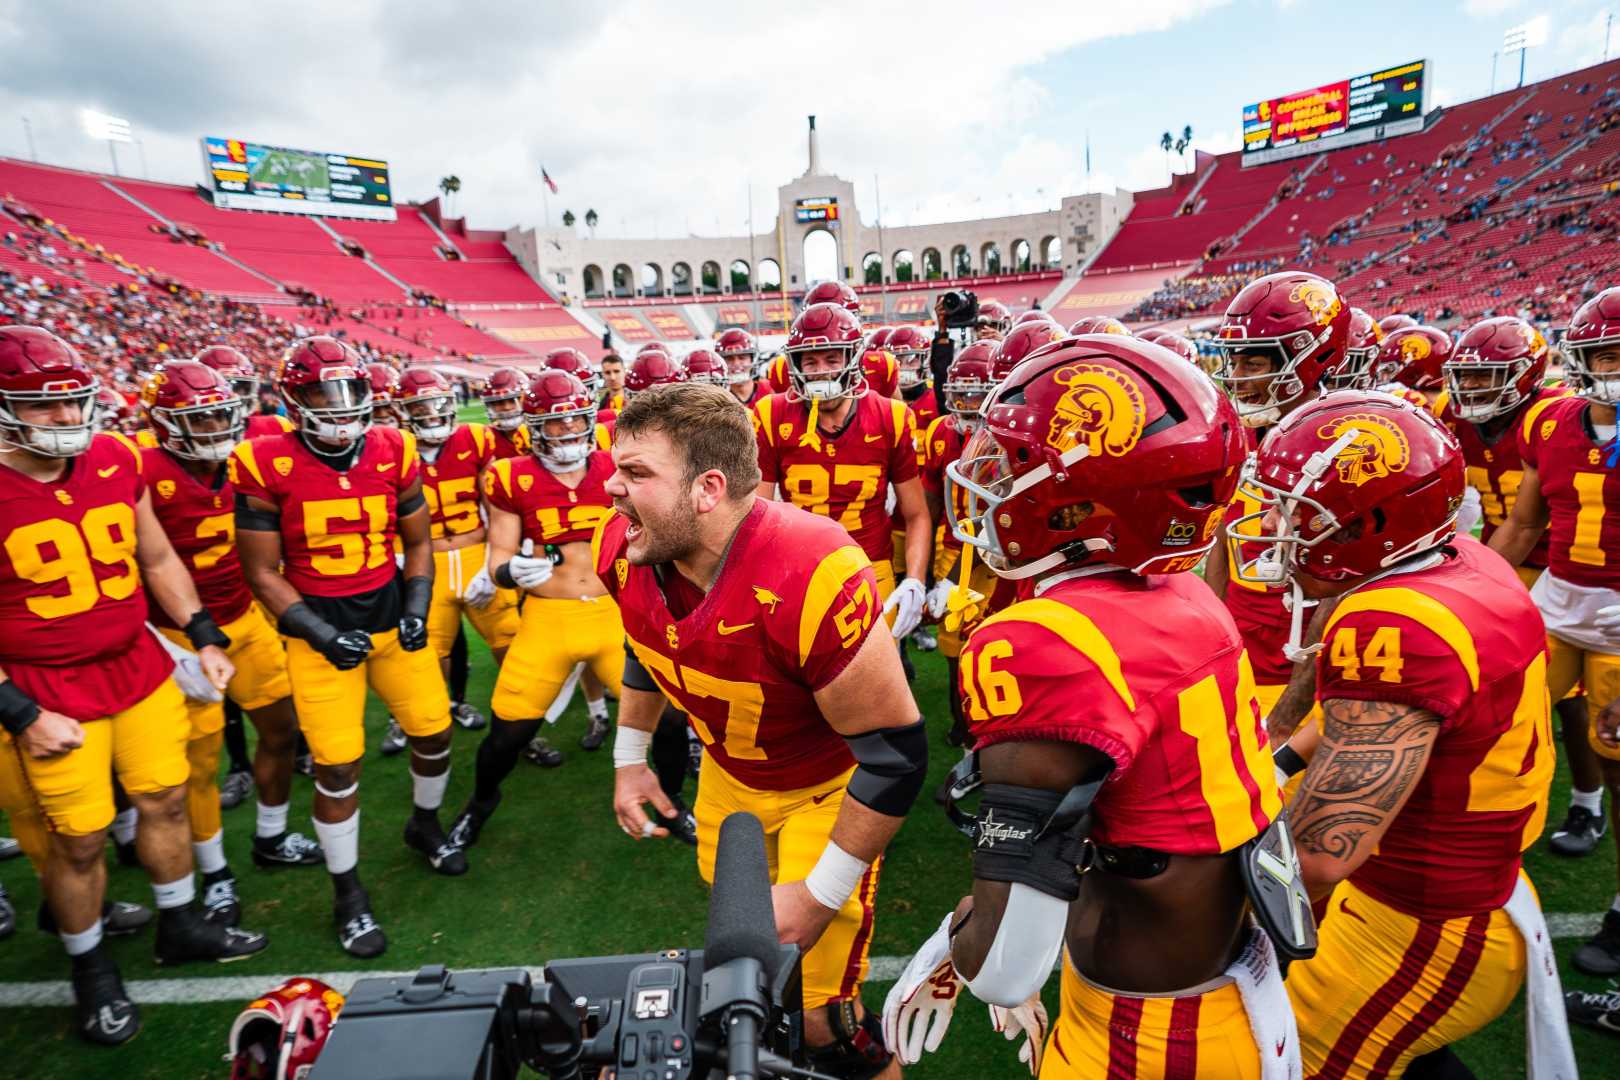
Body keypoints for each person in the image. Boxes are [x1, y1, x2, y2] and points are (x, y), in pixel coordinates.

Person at [884, 335, 1300, 1079]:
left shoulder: (1047, 640)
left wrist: (958, 937)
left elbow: (1006, 967)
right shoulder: (1183, 592)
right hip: (1223, 986)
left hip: (1147, 1037)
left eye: (1011, 463)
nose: (988, 478)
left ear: (1081, 497)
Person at [1240, 390, 1570, 1079]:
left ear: (1372, 519)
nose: (1273, 523)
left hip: (1423, 923)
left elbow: (1317, 853)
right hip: (1444, 891)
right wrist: (1274, 759)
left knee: (1286, 1061)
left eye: (1295, 510)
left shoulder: (1395, 627)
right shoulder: (1458, 560)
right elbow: (1357, 719)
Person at [601, 382, 925, 1079]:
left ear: (707, 488)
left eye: (635, 473)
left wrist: (822, 891)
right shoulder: (631, 548)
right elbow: (644, 637)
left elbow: (896, 755)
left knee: (819, 1016)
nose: (610, 488)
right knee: (744, 982)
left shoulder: (810, 568)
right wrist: (630, 756)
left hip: (827, 790)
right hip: (730, 781)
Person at [0, 326, 266, 1045]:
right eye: (43, 408)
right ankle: (88, 966)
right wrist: (19, 711)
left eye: (72, 403)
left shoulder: (114, 457)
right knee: (79, 841)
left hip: (137, 664)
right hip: (42, 687)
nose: (66, 420)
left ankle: (179, 920)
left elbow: (155, 557)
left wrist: (203, 631)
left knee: (167, 799)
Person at [232, 335, 462, 960]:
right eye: (320, 394)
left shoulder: (393, 446)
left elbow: (418, 542)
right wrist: (321, 634)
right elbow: (263, 573)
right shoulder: (263, 461)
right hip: (319, 629)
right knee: (337, 766)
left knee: (435, 732)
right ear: (292, 399)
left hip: (390, 617)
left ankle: (423, 822)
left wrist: (416, 605)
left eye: (349, 391)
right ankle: (348, 893)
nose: (338, 405)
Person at [139, 360, 321, 928]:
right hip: (176, 636)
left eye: (222, 411)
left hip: (244, 618)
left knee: (282, 730)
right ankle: (214, 871)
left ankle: (270, 836)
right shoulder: (139, 469)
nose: (217, 425)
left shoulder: (255, 454)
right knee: (196, 765)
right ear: (165, 423)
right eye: (200, 417)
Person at [1489, 286, 1620, 978]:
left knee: (1619, 760)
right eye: (1606, 351)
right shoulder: (1550, 423)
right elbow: (1522, 525)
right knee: (1507, 721)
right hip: (1559, 598)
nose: (1614, 364)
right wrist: (1471, 581)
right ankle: (1499, 845)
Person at [1445, 316, 1598, 856]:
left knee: (1571, 699)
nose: (1472, 389)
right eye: (1467, 376)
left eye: (1488, 376)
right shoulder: (1453, 418)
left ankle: (1587, 800)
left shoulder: (1551, 416)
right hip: (1501, 558)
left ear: (1526, 374)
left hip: (1560, 567)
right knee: (1489, 689)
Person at [448, 371, 621, 845]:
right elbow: (500, 555)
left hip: (615, 611)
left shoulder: (614, 465)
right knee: (508, 730)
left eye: (574, 421)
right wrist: (509, 573)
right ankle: (480, 802)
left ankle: (671, 798)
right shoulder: (511, 474)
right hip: (548, 616)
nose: (567, 432)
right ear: (533, 425)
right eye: (555, 422)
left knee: (669, 719)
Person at [1207, 271, 1349, 736]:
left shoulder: (1344, 444)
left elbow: (1340, 585)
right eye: (1236, 361)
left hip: (1302, 667)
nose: (1238, 378)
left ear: (1314, 356)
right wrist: (1211, 640)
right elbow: (1222, 545)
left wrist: (1290, 711)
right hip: (1241, 653)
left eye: (1254, 364)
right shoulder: (1238, 434)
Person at [753, 303, 932, 645]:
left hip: (870, 567)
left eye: (832, 359)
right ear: (795, 364)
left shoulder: (890, 417)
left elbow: (916, 513)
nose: (821, 371)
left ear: (852, 360)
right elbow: (757, 511)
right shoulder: (772, 414)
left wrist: (915, 579)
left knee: (876, 686)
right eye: (811, 361)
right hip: (799, 569)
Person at [393, 367, 518, 732]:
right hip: (426, 563)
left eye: (436, 404)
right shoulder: (396, 447)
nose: (432, 413)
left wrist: (494, 560)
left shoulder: (476, 438)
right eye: (421, 407)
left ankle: (520, 723)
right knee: (429, 654)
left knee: (511, 643)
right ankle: (444, 709)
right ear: (405, 411)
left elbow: (495, 506)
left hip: (475, 551)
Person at [918, 342, 999, 747]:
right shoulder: (939, 431)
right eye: (961, 391)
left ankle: (990, 735)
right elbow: (930, 504)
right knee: (954, 648)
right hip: (953, 547)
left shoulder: (1005, 436)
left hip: (998, 555)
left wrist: (948, 580)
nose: (967, 402)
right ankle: (963, 729)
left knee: (994, 650)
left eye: (977, 392)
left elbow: (996, 522)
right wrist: (925, 572)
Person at [479, 366, 532, 460]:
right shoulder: (484, 438)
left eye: (513, 400)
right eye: (499, 402)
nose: (507, 407)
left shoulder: (543, 435)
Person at [717, 327, 766, 407]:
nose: (736, 364)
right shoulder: (717, 398)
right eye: (729, 358)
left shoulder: (770, 389)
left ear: (752, 359)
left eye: (742, 357)